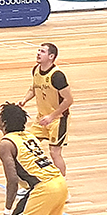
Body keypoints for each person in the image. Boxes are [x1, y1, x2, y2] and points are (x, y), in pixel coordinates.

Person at [17, 43, 73, 177]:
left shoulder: (57, 76)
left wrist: (52, 116)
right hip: (41, 118)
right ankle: (32, 180)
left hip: (58, 119)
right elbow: (34, 88)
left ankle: (62, 183)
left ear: (51, 56)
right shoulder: (36, 69)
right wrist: (24, 100)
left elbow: (69, 100)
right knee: (26, 146)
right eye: (38, 50)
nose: (38, 53)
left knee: (54, 152)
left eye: (42, 51)